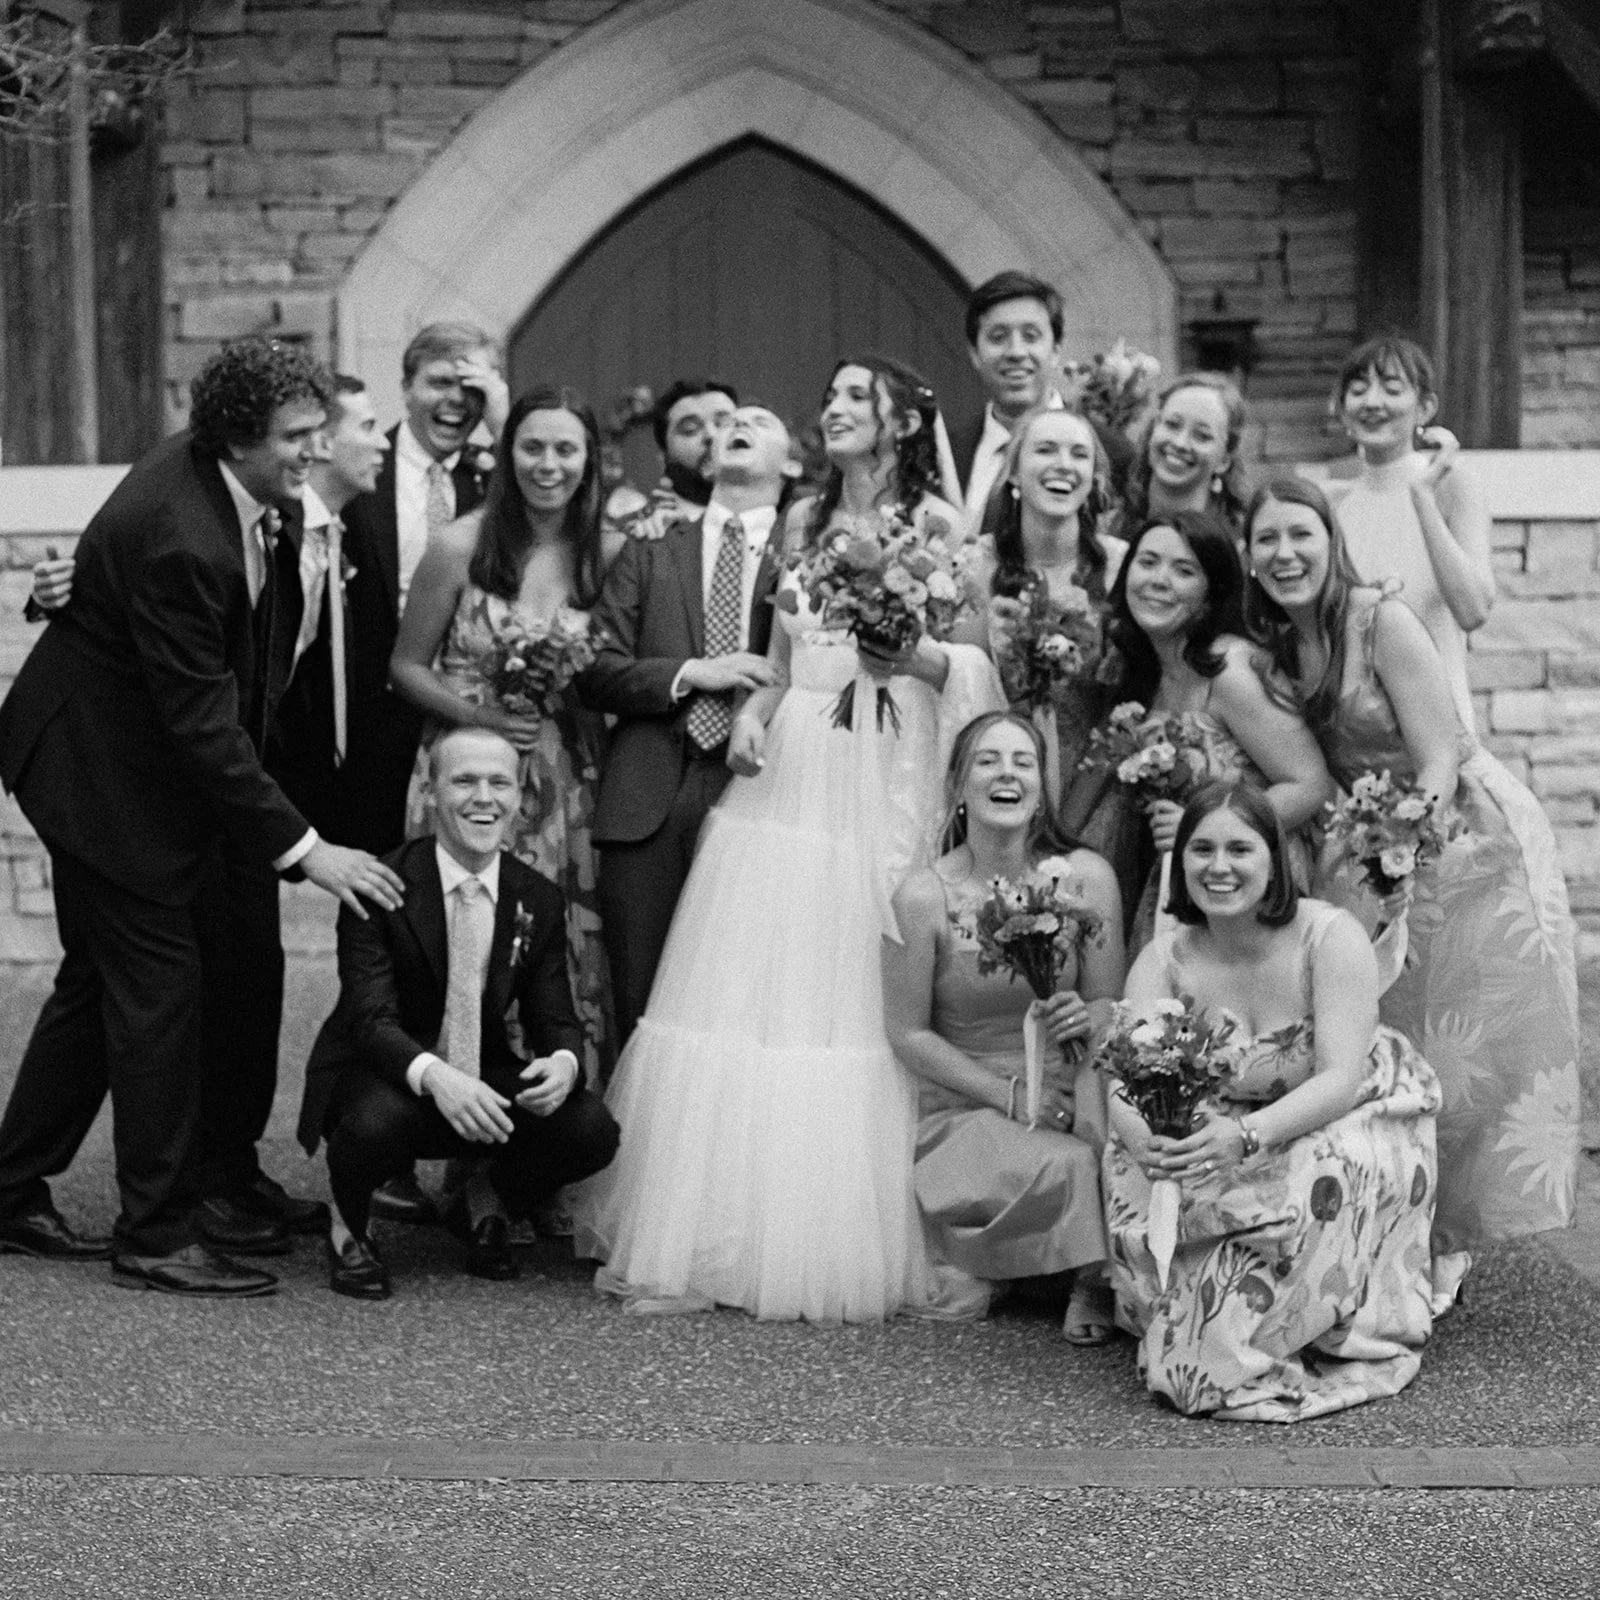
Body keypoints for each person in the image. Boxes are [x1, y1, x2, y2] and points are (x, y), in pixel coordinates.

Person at [572, 356, 1004, 1322]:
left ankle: (864, 1229)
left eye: (856, 397)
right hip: (795, 761)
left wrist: (914, 656)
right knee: (760, 984)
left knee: (860, 982)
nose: (834, 409)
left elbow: (974, 666)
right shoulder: (802, 520)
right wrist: (756, 715)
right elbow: (776, 657)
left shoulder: (940, 526)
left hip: (882, 762)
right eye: (832, 396)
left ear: (901, 422)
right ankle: (734, 1224)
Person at [0, 337, 404, 1297]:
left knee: (100, 984)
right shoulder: (183, 535)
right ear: (235, 438)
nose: (314, 450)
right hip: (99, 773)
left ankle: (12, 1190)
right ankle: (156, 1231)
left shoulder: (234, 486)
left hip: (139, 759)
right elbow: (199, 722)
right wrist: (309, 851)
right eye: (296, 437)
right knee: (159, 989)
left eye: (318, 430)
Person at [1244, 476, 1580, 1305]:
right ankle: (1396, 1217)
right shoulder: (1276, 650)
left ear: (1332, 542)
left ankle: (1447, 1242)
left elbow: (1437, 756)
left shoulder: (1381, 620)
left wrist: (1401, 855)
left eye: (1300, 534)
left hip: (1457, 837)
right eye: (1267, 540)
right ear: (1248, 559)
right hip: (1365, 846)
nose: (1285, 554)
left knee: (1458, 1045)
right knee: (1385, 1034)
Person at [1105, 781, 1441, 1421]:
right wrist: (1148, 1141)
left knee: (1324, 1168)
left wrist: (1244, 1137)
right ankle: (1200, 1313)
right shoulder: (1163, 958)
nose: (1219, 867)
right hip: (1219, 1121)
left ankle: (1292, 1318)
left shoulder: (1329, 936)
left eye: (1240, 849)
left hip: (1341, 1110)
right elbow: (1125, 1080)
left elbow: (1339, 1078)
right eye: (1201, 849)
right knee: (1128, 1159)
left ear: (1274, 860)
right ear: (1180, 862)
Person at [297, 727, 619, 1299]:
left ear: (520, 795)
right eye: (464, 781)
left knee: (590, 1129)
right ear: (431, 791)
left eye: (499, 783)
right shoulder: (381, 884)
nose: (483, 798)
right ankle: (350, 1222)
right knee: (375, 1124)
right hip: (384, 1074)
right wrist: (438, 1078)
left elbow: (554, 1018)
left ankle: (484, 1202)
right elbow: (369, 1021)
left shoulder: (536, 897)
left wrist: (564, 1064)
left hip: (478, 1071)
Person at [391, 385, 616, 1084]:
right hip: (466, 764)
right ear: (505, 451)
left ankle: (553, 1101)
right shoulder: (459, 545)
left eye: (565, 449)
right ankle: (452, 1102)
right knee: (463, 937)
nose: (548, 465)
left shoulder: (608, 551)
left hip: (566, 780)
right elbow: (405, 666)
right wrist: (483, 717)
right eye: (532, 447)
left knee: (556, 941)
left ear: (589, 458)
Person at [884, 712, 1124, 1342]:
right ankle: (1091, 1278)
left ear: (1042, 789)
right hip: (971, 1101)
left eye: (1023, 762)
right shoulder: (922, 897)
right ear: (958, 786)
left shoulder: (1086, 877)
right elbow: (907, 1033)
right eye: (987, 761)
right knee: (1071, 1166)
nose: (1006, 774)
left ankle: (1056, 1263)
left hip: (1074, 1078)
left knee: (1119, 1142)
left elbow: (1109, 1001)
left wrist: (1086, 1015)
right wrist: (1011, 1097)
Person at [576, 403, 795, 1050]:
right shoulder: (651, 548)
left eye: (760, 420)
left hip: (764, 791)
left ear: (791, 464)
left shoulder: (810, 555)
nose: (738, 425)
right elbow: (594, 667)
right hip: (647, 800)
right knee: (639, 1004)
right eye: (729, 423)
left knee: (748, 1000)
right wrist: (693, 672)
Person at [1105, 510, 1332, 950]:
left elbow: (1309, 785)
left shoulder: (1232, 671)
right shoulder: (1149, 672)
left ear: (1212, 593)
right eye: (1147, 562)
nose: (1159, 580)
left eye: (1184, 570)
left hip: (1255, 887)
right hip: (1186, 883)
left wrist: (1205, 827)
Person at [335, 321, 507, 858]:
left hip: (474, 722)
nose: (456, 400)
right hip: (374, 724)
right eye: (440, 383)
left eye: (472, 388)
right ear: (407, 387)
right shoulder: (358, 468)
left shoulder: (499, 480)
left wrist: (504, 423)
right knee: (379, 879)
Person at [1322, 336, 1493, 732]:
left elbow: (1473, 610)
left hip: (1439, 728)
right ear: (1342, 409)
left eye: (1392, 388)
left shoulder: (1453, 485)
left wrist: (1422, 497)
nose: (1372, 402)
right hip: (1350, 731)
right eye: (1358, 390)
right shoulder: (1330, 503)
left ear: (1425, 407)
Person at [268, 373, 392, 840]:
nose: (383, 443)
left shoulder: (335, 532)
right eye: (368, 427)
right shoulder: (283, 535)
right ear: (321, 442)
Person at [947, 271, 1132, 540]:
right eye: (998, 337)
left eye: (1031, 336)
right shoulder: (945, 456)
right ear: (975, 353)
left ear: (1056, 349)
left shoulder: (1115, 455)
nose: (1016, 352)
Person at [1121, 373, 1249, 541]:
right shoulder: (1105, 530)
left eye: (1202, 436)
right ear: (1154, 429)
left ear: (1224, 460)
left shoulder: (1238, 544)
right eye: (1172, 424)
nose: (1180, 443)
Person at [604, 378, 738, 536]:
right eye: (690, 429)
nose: (712, 435)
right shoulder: (643, 532)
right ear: (664, 457)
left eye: (725, 423)